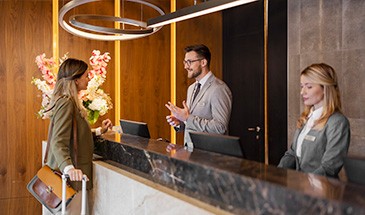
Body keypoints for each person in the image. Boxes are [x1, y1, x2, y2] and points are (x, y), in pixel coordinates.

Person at [45, 58, 112, 214]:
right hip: (70, 181)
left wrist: (99, 131)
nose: (89, 79)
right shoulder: (66, 103)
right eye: (86, 76)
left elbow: (75, 135)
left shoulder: (71, 102)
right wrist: (69, 168)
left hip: (73, 180)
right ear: (76, 80)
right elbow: (58, 141)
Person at [278, 63, 350, 178]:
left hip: (321, 191)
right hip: (299, 187)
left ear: (325, 89)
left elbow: (329, 167)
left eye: (309, 87)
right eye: (302, 86)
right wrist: (276, 175)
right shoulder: (306, 117)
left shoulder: (337, 122)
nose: (302, 92)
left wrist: (305, 184)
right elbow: (292, 154)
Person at [165, 44, 232, 147]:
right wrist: (180, 123)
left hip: (209, 155)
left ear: (203, 62)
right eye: (185, 62)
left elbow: (220, 127)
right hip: (191, 151)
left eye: (189, 62)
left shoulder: (219, 88)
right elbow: (192, 123)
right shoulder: (191, 88)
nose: (186, 66)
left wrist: (187, 118)